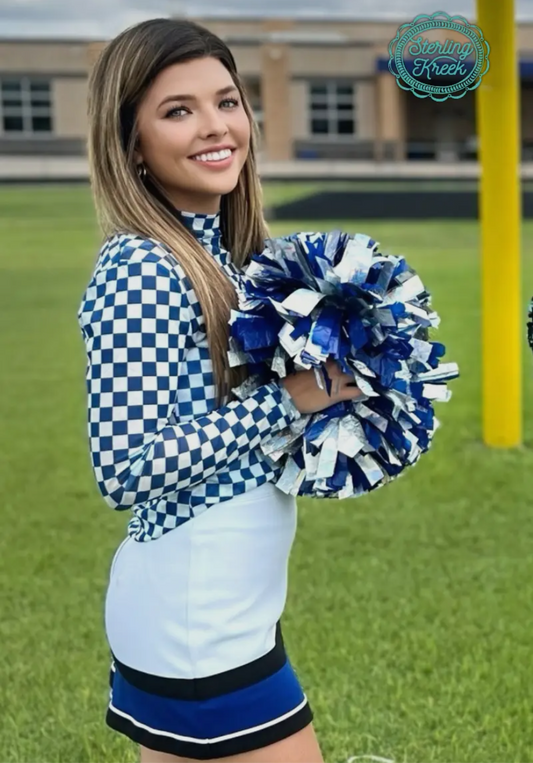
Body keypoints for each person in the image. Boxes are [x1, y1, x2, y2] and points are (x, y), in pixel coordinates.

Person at [78, 17, 360, 763]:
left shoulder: (226, 257)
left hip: (218, 600)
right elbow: (124, 466)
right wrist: (289, 399)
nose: (216, 127)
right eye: (178, 110)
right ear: (131, 142)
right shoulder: (141, 267)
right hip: (196, 617)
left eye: (226, 101)